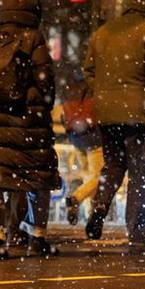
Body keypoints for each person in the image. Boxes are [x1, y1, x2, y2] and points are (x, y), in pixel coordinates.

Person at [82, 0, 145, 248]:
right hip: (139, 116)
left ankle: (99, 208)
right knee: (139, 174)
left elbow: (88, 71)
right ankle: (136, 232)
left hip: (107, 115)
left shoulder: (102, 34)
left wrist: (102, 95)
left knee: (112, 167)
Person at [0, 0, 59, 260]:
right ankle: (37, 237)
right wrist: (42, 103)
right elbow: (45, 79)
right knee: (37, 177)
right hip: (29, 120)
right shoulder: (33, 38)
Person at [60, 76, 102, 226]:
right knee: (97, 178)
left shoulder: (70, 89)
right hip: (94, 138)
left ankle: (89, 215)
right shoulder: (95, 86)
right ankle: (76, 199)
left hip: (77, 138)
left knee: (87, 177)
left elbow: (63, 116)